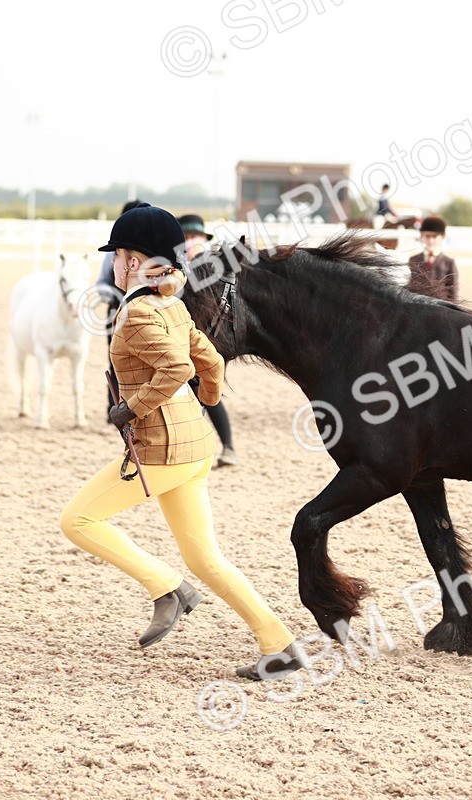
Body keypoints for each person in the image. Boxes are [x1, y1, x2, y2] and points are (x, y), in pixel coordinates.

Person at [59, 203, 303, 681]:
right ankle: (279, 645)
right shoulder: (171, 304)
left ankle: (167, 587)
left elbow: (177, 368)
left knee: (78, 520)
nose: (114, 264)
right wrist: (206, 399)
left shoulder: (137, 314)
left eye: (117, 255)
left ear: (133, 260)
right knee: (205, 558)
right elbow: (209, 360)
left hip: (163, 450)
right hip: (194, 446)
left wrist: (130, 408)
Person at [179, 213, 238, 468]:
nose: (191, 241)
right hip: (182, 337)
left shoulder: (213, 267)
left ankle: (227, 447)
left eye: (196, 236)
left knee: (209, 390)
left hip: (209, 339)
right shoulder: (176, 266)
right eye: (187, 236)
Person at [98, 200, 145, 422]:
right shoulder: (112, 254)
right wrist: (116, 296)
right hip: (116, 311)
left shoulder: (150, 253)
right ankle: (114, 406)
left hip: (142, 309)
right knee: (116, 361)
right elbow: (101, 284)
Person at [406, 215, 458, 302]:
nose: (431, 241)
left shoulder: (449, 263)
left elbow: (453, 294)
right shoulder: (413, 260)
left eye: (435, 236)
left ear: (442, 237)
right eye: (427, 236)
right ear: (421, 236)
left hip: (441, 307)